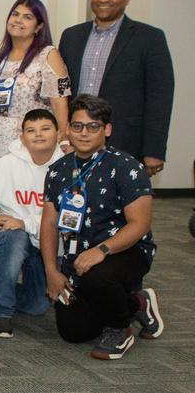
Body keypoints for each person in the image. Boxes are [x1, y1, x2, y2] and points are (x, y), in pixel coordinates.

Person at [39, 94, 162, 360]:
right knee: (73, 331)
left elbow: (140, 224)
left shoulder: (127, 167)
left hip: (125, 250)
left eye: (93, 126)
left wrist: (102, 250)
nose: (84, 133)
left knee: (98, 278)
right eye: (77, 126)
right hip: (77, 255)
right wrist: (51, 270)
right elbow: (49, 223)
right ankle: (137, 303)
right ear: (68, 128)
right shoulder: (58, 171)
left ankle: (120, 330)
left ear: (107, 129)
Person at [58, 0, 173, 178]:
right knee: (74, 199)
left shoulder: (149, 38)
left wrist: (154, 149)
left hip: (126, 141)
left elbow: (160, 97)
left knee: (122, 206)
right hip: (76, 138)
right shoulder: (71, 36)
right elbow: (61, 90)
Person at [0, 108, 62, 338]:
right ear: (22, 137)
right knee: (14, 237)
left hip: (48, 243)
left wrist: (26, 222)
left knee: (37, 305)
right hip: (12, 235)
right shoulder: (8, 163)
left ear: (59, 134)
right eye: (31, 130)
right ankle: (1, 313)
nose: (38, 135)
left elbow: (66, 218)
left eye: (45, 129)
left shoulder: (69, 167)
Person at [0, 0, 72, 168]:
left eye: (27, 17)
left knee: (26, 194)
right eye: (15, 14)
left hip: (30, 146)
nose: (18, 20)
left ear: (39, 26)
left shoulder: (47, 55)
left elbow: (59, 102)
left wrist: (64, 138)